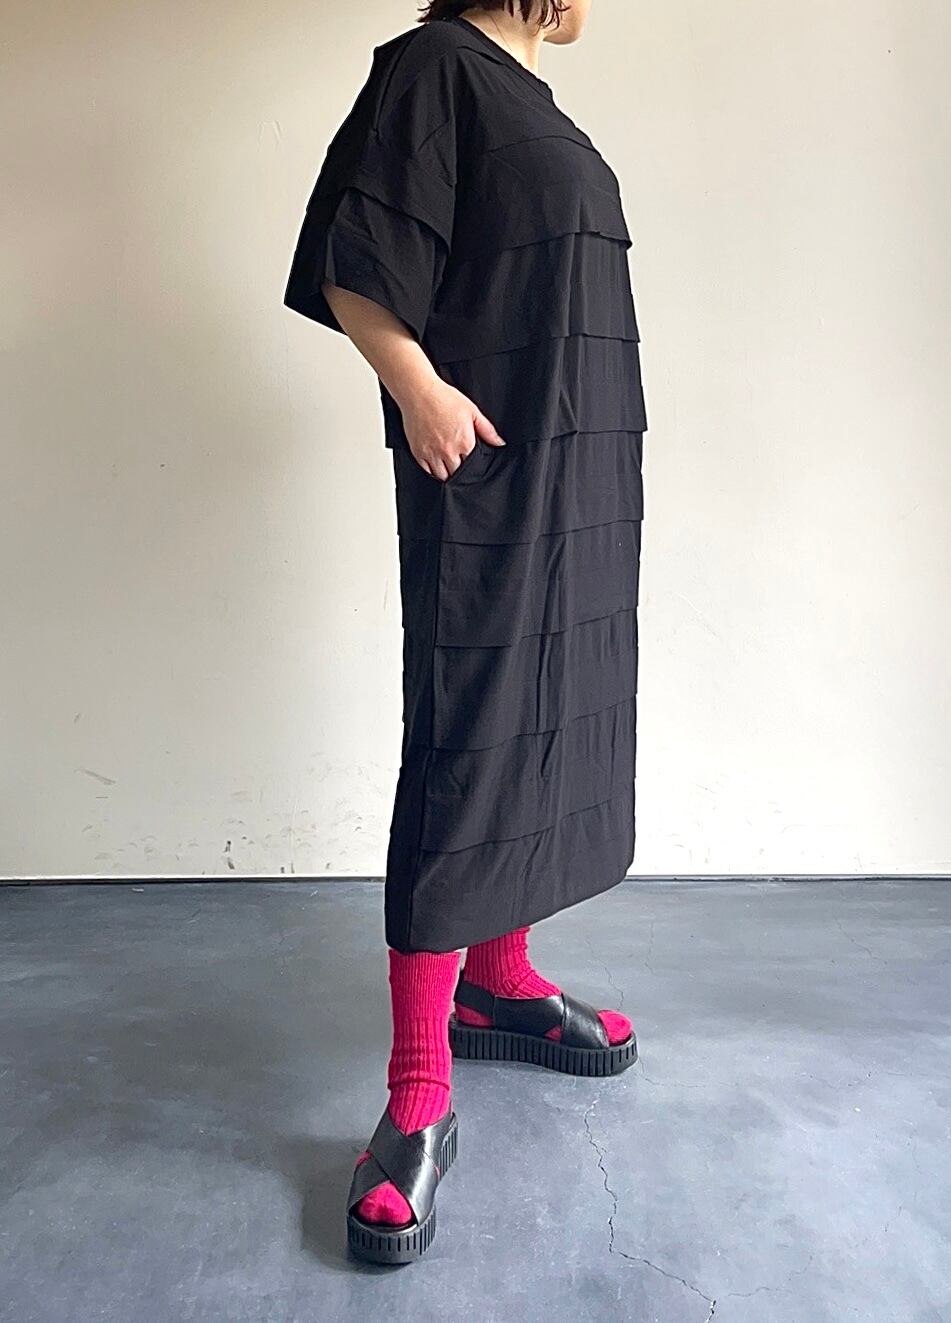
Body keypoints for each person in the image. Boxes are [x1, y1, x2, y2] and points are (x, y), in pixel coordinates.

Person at [283, 0, 646, 1265]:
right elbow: (356, 255)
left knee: (552, 717)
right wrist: (421, 390)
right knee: (471, 734)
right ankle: (418, 1091)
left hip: (577, 474)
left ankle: (501, 978)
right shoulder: (437, 68)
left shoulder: (526, 96)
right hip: (491, 471)